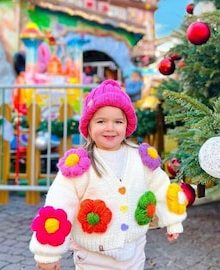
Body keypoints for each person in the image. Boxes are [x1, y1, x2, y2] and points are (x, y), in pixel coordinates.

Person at [29, 79, 188, 270]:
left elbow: (161, 187)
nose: (110, 128)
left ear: (127, 125)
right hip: (93, 257)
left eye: (118, 121)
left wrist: (172, 220)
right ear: (88, 126)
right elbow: (59, 204)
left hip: (134, 252)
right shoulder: (79, 165)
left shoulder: (140, 157)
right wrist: (48, 253)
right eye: (101, 121)